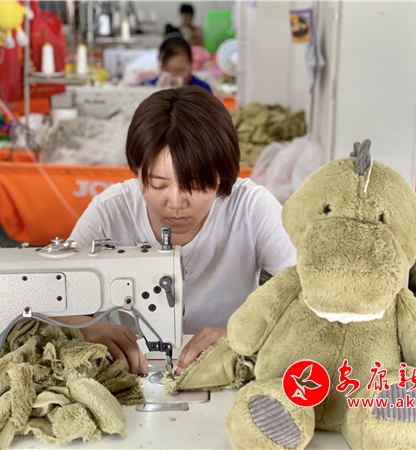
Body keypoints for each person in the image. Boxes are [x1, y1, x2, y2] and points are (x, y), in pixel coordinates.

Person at [62, 86, 297, 376]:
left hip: (227, 368)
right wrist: (87, 328)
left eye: (195, 185)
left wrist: (242, 337)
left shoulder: (251, 209)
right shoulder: (110, 212)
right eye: (158, 184)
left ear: (222, 173)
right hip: (132, 369)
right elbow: (56, 298)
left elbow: (310, 297)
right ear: (137, 170)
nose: (175, 202)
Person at [143, 34, 212, 93]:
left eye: (180, 71)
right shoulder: (147, 87)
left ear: (191, 65)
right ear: (160, 67)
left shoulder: (202, 90)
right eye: (166, 70)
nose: (173, 76)